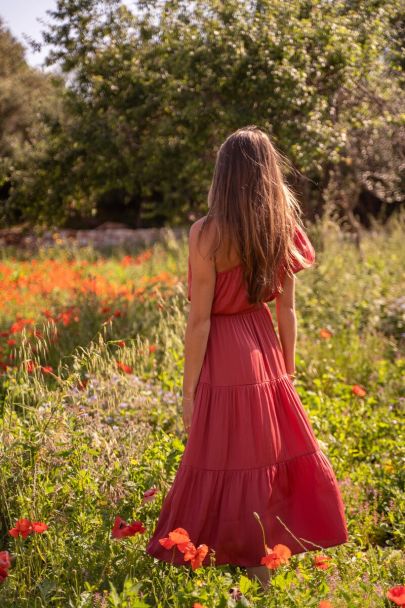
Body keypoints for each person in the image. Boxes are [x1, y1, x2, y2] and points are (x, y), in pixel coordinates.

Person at [145, 126, 349, 589]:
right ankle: (260, 568)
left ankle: (218, 557)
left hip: (223, 350)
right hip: (264, 349)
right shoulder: (283, 228)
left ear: (222, 175)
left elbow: (199, 321)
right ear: (268, 174)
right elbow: (288, 310)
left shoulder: (206, 233)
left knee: (222, 455)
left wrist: (188, 389)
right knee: (261, 457)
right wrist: (287, 370)